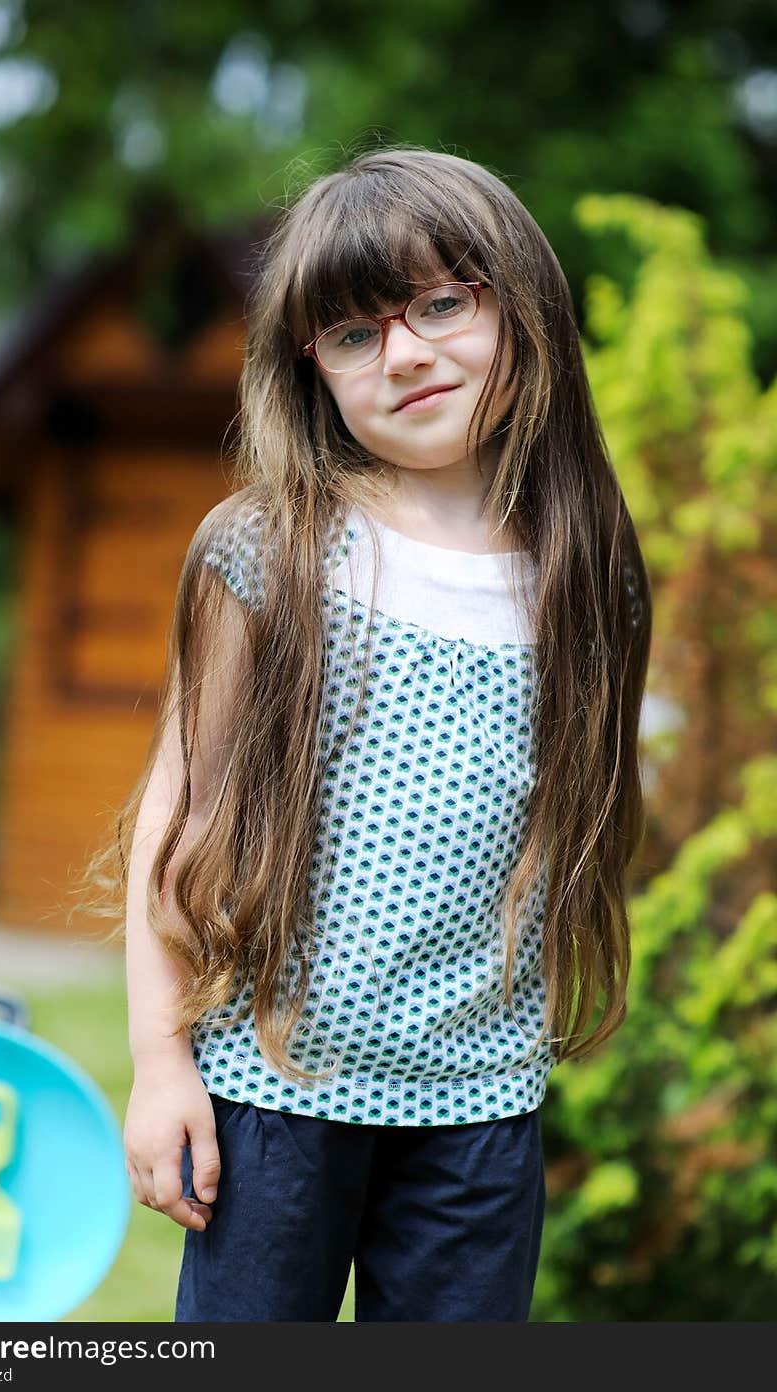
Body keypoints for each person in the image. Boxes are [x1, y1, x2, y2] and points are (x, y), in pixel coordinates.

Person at [77, 145, 652, 1322]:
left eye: (444, 303)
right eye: (353, 334)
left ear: (522, 306)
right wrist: (159, 1063)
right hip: (269, 1091)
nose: (405, 352)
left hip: (478, 1111)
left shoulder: (582, 574)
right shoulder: (267, 552)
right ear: (311, 368)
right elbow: (176, 817)